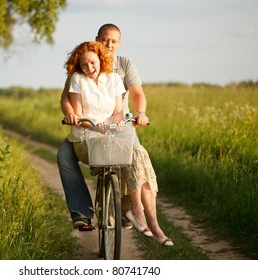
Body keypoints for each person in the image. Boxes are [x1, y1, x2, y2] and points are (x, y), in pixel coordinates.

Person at [57, 24, 173, 246]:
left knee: (137, 156)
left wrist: (140, 113)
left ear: (119, 43)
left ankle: (135, 213)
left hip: (119, 125)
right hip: (87, 128)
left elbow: (137, 94)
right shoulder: (82, 64)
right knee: (64, 155)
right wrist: (71, 114)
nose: (109, 45)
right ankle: (82, 214)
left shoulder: (122, 66)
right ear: (97, 39)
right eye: (105, 40)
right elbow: (66, 97)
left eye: (114, 41)